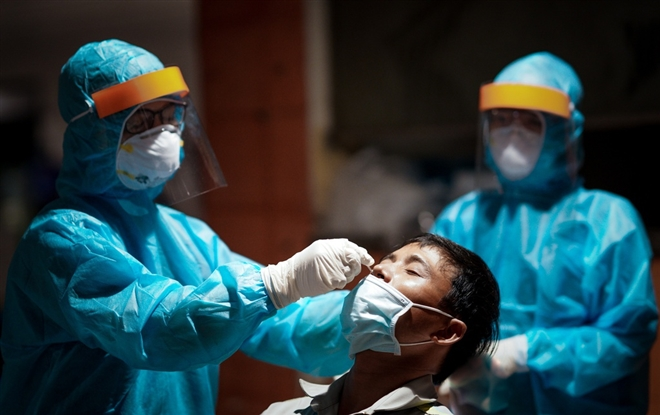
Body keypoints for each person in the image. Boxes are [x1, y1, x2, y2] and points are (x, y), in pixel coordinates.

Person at [0, 39, 375, 415]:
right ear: (94, 134)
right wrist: (279, 284)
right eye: (142, 120)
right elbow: (155, 328)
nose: (164, 133)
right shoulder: (60, 240)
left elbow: (281, 325)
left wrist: (372, 316)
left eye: (170, 115)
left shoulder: (185, 235)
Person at [432, 51, 658, 415]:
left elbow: (627, 338)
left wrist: (523, 353)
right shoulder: (464, 218)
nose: (512, 132)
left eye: (530, 121)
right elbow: (430, 313)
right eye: (501, 119)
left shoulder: (607, 221)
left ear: (564, 131)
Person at [261, 233, 501, 415]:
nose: (378, 268)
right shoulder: (282, 411)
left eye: (413, 271)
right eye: (387, 260)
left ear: (447, 331)